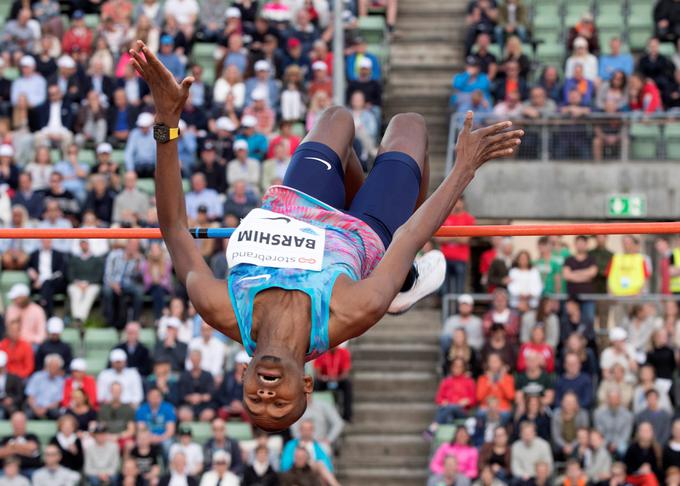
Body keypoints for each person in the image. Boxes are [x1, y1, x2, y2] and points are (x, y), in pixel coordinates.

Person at [129, 39, 522, 432]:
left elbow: (175, 229)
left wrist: (167, 122)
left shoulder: (222, 307)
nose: (267, 397)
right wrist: (463, 170)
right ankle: (397, 279)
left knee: (337, 118)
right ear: (306, 384)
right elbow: (409, 235)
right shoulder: (349, 311)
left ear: (244, 375)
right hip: (363, 233)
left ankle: (386, 254)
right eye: (280, 404)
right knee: (409, 126)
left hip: (298, 202)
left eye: (255, 399)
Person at [438, 197, 476, 295]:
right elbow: (439, 239)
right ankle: (446, 310)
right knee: (444, 289)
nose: (457, 204)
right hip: (445, 258)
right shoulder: (444, 217)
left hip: (460, 259)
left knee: (459, 289)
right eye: (456, 202)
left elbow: (465, 240)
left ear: (463, 203)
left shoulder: (468, 218)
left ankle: (458, 310)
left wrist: (448, 236)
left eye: (459, 202)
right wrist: (457, 236)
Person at [66, 239, 104, 324]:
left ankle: (79, 319)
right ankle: (78, 319)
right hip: (77, 284)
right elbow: (70, 275)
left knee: (89, 295)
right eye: (82, 244)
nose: (84, 246)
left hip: (91, 284)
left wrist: (87, 283)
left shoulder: (96, 259)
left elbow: (99, 276)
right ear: (80, 246)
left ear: (89, 245)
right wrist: (78, 283)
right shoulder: (74, 259)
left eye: (85, 244)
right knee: (75, 294)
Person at [312, 346, 353, 422]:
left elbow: (345, 373)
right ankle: (310, 411)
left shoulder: (344, 352)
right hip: (324, 381)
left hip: (339, 380)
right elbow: (317, 373)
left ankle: (347, 415)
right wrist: (325, 378)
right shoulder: (321, 352)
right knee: (312, 385)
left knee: (348, 384)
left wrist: (336, 378)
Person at [135, 387, 176, 454]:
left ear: (161, 397)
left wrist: (160, 438)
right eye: (152, 396)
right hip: (147, 437)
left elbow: (170, 430)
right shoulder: (141, 409)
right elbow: (141, 428)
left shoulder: (168, 408)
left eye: (157, 396)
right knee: (140, 443)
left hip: (164, 437)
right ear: (148, 397)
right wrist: (150, 437)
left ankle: (167, 464)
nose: (154, 398)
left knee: (167, 444)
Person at [5, 283, 46, 348]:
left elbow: (41, 336)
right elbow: (8, 330)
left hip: (31, 344)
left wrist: (27, 341)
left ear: (24, 297)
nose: (14, 300)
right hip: (14, 343)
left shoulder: (37, 310)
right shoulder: (11, 309)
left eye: (16, 298)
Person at [594, 389, 633, 457]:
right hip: (604, 442)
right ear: (607, 399)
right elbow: (599, 432)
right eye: (611, 398)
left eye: (616, 399)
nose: (613, 401)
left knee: (623, 449)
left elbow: (626, 434)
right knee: (598, 448)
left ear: (620, 400)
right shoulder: (599, 413)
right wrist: (608, 444)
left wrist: (616, 444)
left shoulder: (627, 415)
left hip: (620, 442)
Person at [24, 353, 65, 420]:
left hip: (50, 409)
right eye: (51, 366)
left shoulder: (61, 381)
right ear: (46, 366)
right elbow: (30, 396)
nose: (53, 369)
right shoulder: (37, 376)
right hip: (35, 407)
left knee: (58, 414)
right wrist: (35, 408)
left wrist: (45, 408)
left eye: (56, 367)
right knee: (27, 414)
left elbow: (57, 402)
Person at [0, 352, 24, 419]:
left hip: (10, 405)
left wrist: (11, 400)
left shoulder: (14, 378)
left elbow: (20, 395)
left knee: (13, 411)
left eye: (1, 367)